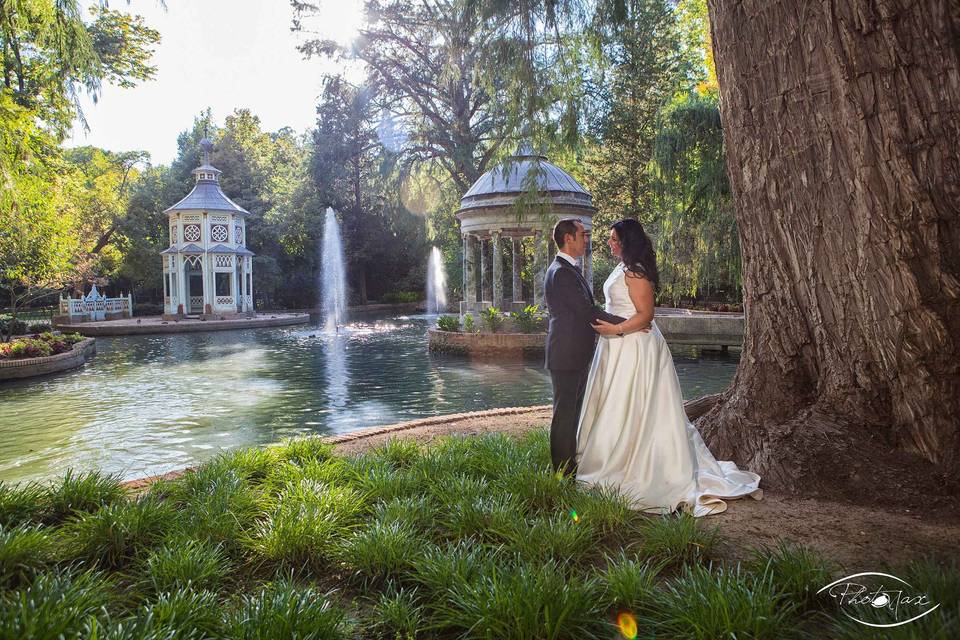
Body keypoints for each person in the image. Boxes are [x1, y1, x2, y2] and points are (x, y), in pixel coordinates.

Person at [578, 218, 762, 516]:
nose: (609, 243)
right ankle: (609, 454)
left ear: (627, 241)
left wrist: (617, 331)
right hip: (616, 345)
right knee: (615, 405)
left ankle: (640, 465)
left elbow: (646, 315)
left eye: (614, 239)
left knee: (637, 405)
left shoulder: (636, 272)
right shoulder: (623, 267)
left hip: (634, 346)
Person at [543, 218, 647, 476]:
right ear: (569, 238)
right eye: (582, 234)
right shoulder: (561, 272)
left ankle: (569, 466)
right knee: (565, 415)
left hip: (573, 352)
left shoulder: (568, 269)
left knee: (573, 412)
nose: (586, 239)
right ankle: (562, 473)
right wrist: (630, 323)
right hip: (566, 353)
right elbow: (586, 311)